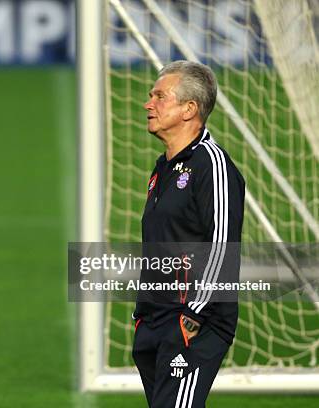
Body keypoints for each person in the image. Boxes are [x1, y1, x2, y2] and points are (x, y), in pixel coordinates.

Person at [132, 60, 245, 407]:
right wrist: (142, 314)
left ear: (189, 109)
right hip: (155, 319)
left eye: (160, 96)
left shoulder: (213, 166)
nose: (148, 104)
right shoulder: (163, 167)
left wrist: (191, 317)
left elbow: (223, 248)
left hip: (194, 322)